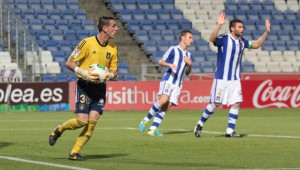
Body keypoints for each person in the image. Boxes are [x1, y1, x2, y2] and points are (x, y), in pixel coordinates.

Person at [48, 16, 118, 160]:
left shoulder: (113, 48)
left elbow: (115, 72)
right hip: (85, 86)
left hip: (99, 88)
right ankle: (59, 129)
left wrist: (108, 76)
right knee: (81, 121)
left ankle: (74, 152)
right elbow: (69, 62)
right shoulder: (86, 43)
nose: (116, 29)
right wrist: (83, 73)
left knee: (92, 122)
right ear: (105, 28)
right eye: (113, 26)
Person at [193, 11, 270, 138]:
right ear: (232, 28)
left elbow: (256, 44)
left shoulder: (242, 42)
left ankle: (230, 131)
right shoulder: (224, 39)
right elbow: (211, 39)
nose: (242, 29)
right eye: (239, 27)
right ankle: (200, 124)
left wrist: (266, 32)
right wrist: (218, 25)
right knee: (216, 104)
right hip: (221, 78)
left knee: (236, 103)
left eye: (242, 27)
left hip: (235, 79)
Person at [139, 30, 193, 136]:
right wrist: (170, 65)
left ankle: (153, 129)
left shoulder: (188, 55)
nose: (192, 40)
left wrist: (189, 65)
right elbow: (161, 61)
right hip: (169, 79)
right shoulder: (173, 49)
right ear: (183, 38)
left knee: (167, 106)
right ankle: (145, 120)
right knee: (163, 100)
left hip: (178, 84)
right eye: (190, 37)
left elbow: (187, 73)